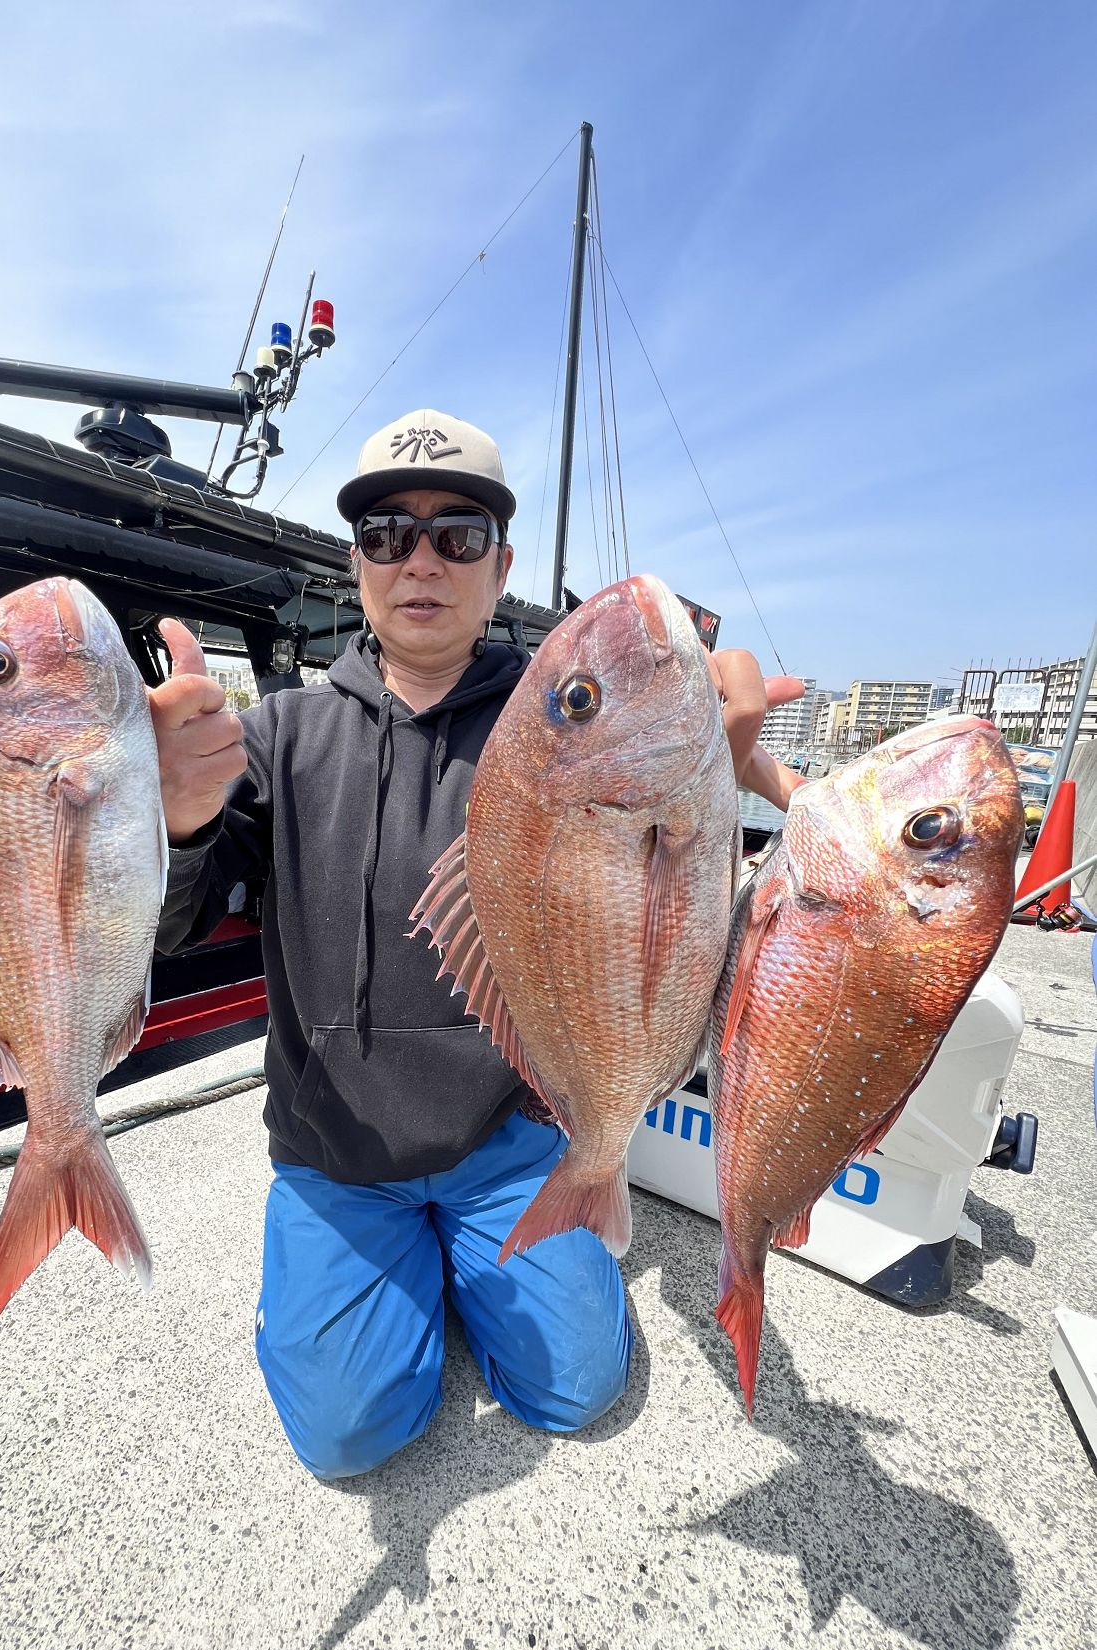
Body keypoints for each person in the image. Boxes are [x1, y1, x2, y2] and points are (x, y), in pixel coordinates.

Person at [150, 409, 805, 1480]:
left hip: (510, 1134)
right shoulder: (275, 734)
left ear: (500, 566)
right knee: (350, 1435)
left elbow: (692, 918)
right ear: (356, 563)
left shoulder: (551, 730)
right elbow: (174, 927)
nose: (420, 559)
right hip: (338, 1155)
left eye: (457, 535)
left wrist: (701, 785)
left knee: (579, 1388)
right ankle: (397, 1284)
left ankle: (464, 1266)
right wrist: (177, 818)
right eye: (386, 534)